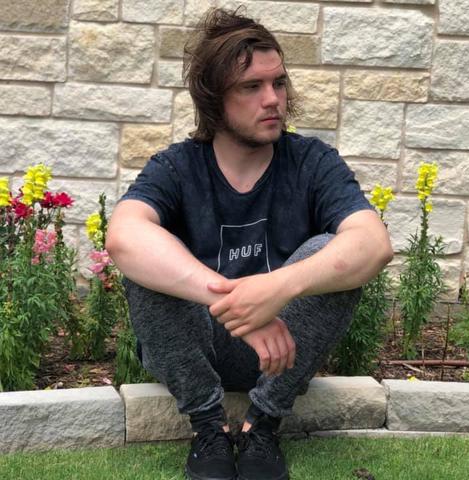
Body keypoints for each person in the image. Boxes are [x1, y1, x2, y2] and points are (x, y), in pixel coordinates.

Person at [106, 7, 393, 480]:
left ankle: (262, 424)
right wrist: (239, 306)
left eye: (278, 83)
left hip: (283, 353)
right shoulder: (177, 166)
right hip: (199, 349)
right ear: (214, 97)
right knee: (150, 261)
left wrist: (278, 289)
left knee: (332, 253)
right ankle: (208, 426)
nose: (272, 99)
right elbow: (124, 236)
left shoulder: (311, 162)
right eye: (251, 87)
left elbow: (373, 243)